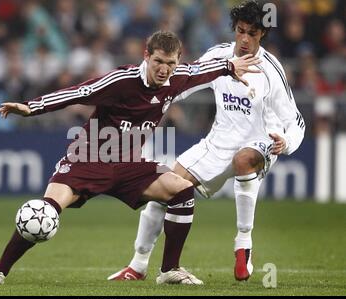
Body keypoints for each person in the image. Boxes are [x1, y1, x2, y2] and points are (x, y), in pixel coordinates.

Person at [0, 30, 260, 286]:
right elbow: (79, 92)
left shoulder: (177, 79)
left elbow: (203, 70)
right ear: (146, 56)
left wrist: (229, 65)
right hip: (88, 158)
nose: (164, 70)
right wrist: (31, 107)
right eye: (159, 61)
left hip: (128, 165)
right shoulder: (121, 81)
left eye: (171, 63)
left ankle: (170, 270)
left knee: (182, 190)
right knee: (44, 213)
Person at [108, 1, 305, 283]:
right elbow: (185, 83)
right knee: (165, 189)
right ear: (235, 30)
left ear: (262, 35)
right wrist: (151, 97)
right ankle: (137, 266)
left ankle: (243, 245)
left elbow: (295, 120)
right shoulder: (218, 57)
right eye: (241, 31)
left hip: (262, 141)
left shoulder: (271, 70)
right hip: (217, 142)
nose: (245, 39)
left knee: (243, 160)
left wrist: (285, 141)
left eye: (252, 33)